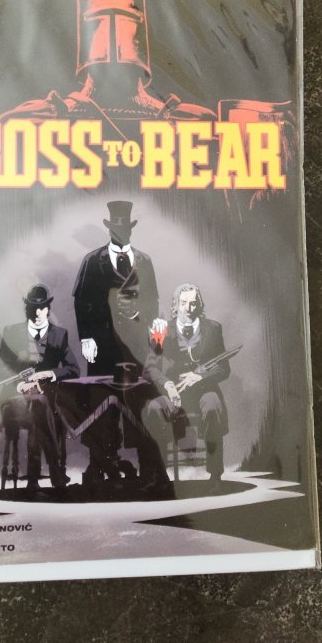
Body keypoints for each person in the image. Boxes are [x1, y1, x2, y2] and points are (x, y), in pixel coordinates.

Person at [0, 0, 215, 144]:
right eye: (102, 22)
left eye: (125, 20)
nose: (113, 35)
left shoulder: (189, 120)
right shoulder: (38, 117)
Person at [0, 284, 79, 492]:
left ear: (49, 308)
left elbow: (73, 369)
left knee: (39, 408)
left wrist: (49, 374)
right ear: (27, 309)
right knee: (39, 407)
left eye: (42, 308)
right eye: (33, 308)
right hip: (15, 401)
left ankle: (34, 479)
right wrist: (21, 384)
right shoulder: (12, 332)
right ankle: (55, 471)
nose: (38, 312)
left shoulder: (59, 335)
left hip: (46, 401)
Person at [143, 283, 230, 485]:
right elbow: (150, 368)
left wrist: (199, 377)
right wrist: (168, 385)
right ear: (175, 305)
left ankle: (215, 475)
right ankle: (159, 474)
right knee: (154, 409)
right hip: (171, 393)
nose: (188, 309)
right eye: (183, 303)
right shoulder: (161, 329)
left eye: (193, 303)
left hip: (203, 390)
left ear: (199, 305)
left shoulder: (213, 329)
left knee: (213, 406)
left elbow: (223, 368)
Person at [72, 200, 165, 374]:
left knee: (138, 388)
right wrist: (86, 338)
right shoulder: (92, 260)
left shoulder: (144, 261)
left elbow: (152, 301)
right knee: (101, 388)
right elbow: (81, 302)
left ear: (130, 230)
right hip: (102, 343)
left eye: (124, 229)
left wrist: (152, 337)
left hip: (136, 343)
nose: (120, 233)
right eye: (116, 229)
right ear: (109, 230)